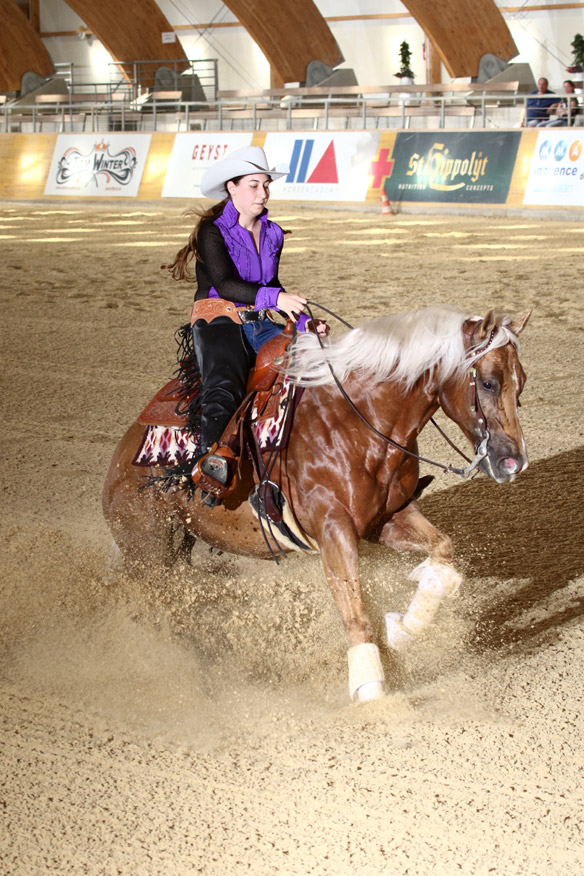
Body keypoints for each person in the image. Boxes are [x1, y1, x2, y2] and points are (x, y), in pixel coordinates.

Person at [165, 145, 324, 505]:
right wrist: (276, 300)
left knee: (312, 366)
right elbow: (225, 284)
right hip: (216, 318)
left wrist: (303, 322)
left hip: (258, 321)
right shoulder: (212, 231)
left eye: (266, 185)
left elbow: (272, 286)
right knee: (223, 389)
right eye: (253, 185)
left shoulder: (274, 233)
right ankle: (209, 473)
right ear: (231, 188)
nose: (263, 193)